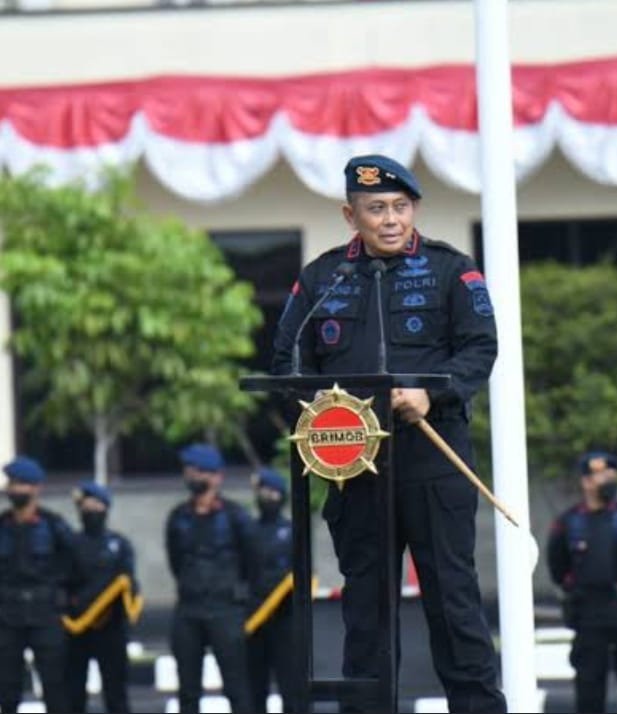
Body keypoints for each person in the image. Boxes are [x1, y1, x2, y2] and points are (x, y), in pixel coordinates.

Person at [272, 154, 506, 713]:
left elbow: (480, 347)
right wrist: (327, 413)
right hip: (355, 468)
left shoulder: (452, 270)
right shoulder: (323, 278)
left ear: (414, 209)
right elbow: (288, 363)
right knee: (366, 612)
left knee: (453, 602)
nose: (392, 219)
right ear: (350, 216)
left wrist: (433, 392)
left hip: (433, 458)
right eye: (376, 209)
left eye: (401, 207)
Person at [164, 443, 259, 714]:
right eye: (188, 470)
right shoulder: (178, 517)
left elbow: (252, 561)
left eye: (198, 471)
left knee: (237, 687)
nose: (191, 475)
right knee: (187, 690)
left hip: (226, 609)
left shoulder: (235, 516)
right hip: (188, 609)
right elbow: (175, 560)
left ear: (216, 476)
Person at [546, 450, 617, 714]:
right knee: (589, 691)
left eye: (612, 475)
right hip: (588, 616)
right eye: (602, 475)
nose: (609, 480)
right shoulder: (569, 522)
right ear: (586, 481)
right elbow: (558, 567)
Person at [0, 456, 75, 713]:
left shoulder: (54, 526)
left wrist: (63, 600)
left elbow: (73, 564)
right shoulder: (2, 525)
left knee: (55, 686)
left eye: (21, 484)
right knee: (7, 688)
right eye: (12, 483)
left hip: (45, 614)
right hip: (7, 616)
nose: (14, 489)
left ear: (36, 488)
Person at [65, 480, 140, 714]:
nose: (91, 510)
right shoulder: (70, 543)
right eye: (86, 505)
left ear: (106, 508)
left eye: (96, 505)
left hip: (111, 627)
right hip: (77, 627)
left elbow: (129, 583)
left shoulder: (119, 545)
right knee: (73, 693)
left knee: (116, 693)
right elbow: (62, 581)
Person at [246, 467, 296, 714]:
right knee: (255, 688)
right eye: (262, 492)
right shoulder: (249, 531)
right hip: (255, 618)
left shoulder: (293, 531)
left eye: (272, 492)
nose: (266, 497)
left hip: (286, 617)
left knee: (292, 687)